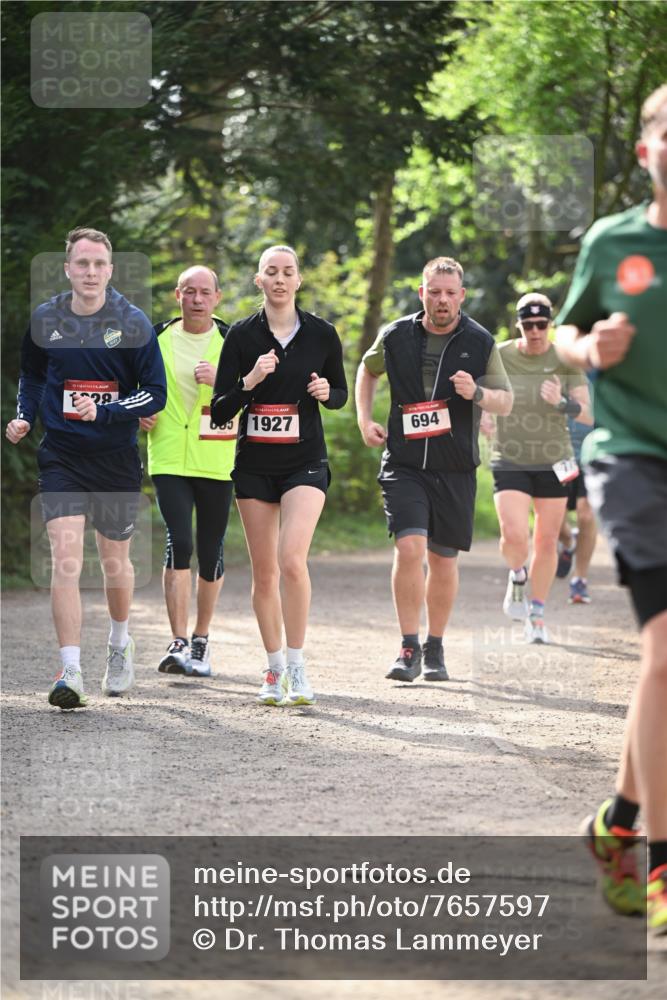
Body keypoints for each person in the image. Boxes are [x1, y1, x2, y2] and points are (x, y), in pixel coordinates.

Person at [556, 83, 667, 935]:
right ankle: (660, 867)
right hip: (628, 457)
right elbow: (564, 331)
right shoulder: (615, 241)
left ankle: (619, 821)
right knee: (665, 647)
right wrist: (588, 346)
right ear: (645, 152)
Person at [5, 226, 166, 709]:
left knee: (115, 562)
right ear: (68, 268)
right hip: (62, 456)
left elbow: (154, 393)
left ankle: (119, 644)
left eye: (99, 264)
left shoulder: (132, 322)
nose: (90, 272)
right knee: (66, 557)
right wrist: (23, 416)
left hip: (115, 459)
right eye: (82, 263)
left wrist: (111, 409)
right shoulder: (46, 318)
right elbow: (32, 376)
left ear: (110, 271)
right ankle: (70, 668)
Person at [355, 256, 513, 682]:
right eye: (434, 291)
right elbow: (366, 373)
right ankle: (408, 646)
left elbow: (505, 400)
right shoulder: (395, 335)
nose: (442, 300)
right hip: (405, 462)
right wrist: (364, 419)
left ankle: (435, 646)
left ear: (461, 295)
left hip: (455, 466)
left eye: (450, 293)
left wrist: (476, 392)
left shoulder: (480, 341)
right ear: (421, 292)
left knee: (443, 561)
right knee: (409, 548)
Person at [210, 245, 347, 706]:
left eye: (288, 271)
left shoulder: (322, 334)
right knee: (265, 573)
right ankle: (273, 671)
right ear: (259, 280)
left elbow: (340, 393)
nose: (280, 279)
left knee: (292, 560)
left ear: (299, 280)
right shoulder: (243, 336)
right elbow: (221, 409)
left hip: (305, 460)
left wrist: (327, 392)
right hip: (254, 467)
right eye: (272, 272)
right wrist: (249, 381)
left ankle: (298, 664)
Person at [140, 266, 234, 677]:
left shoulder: (234, 341)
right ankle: (177, 641)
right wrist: (139, 409)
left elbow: (260, 395)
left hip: (217, 459)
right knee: (178, 541)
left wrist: (223, 381)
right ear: (178, 295)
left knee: (210, 549)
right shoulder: (154, 337)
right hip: (169, 456)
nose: (197, 299)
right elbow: (132, 383)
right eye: (189, 291)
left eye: (204, 293)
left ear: (217, 297)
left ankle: (201, 640)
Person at [485, 293, 592, 643]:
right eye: (528, 325)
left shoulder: (563, 357)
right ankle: (517, 575)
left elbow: (588, 414)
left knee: (546, 539)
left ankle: (538, 613)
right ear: (518, 324)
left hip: (554, 458)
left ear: (550, 324)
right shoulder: (500, 354)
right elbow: (487, 396)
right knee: (513, 534)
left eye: (541, 324)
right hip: (510, 455)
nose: (535, 331)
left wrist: (560, 402)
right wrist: (483, 419)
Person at [555, 416, 598, 605]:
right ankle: (568, 542)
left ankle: (579, 580)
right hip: (559, 455)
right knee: (555, 519)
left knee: (586, 515)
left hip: (593, 454)